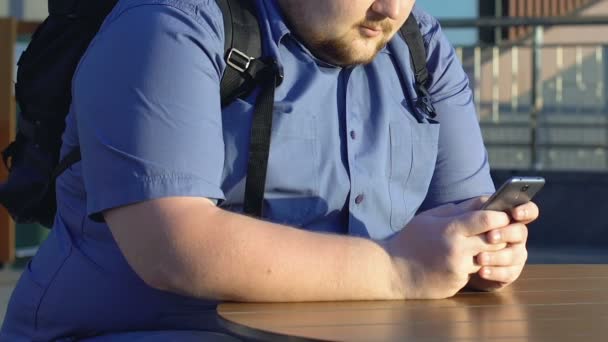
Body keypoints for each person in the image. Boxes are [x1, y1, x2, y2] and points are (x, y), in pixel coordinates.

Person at [1, 0, 539, 340]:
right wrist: (400, 269)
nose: (391, 7)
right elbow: (171, 246)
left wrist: (483, 249)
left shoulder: (419, 45)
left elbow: (459, 217)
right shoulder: (166, 24)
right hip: (136, 329)